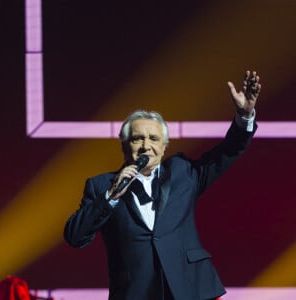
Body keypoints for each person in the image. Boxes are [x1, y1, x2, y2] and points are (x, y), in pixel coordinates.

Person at [64, 70, 261, 300]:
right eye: (137, 138)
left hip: (190, 289)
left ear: (165, 146)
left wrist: (244, 115)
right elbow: (75, 236)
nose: (146, 146)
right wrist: (110, 197)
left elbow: (228, 152)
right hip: (136, 293)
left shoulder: (182, 172)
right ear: (124, 146)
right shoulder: (101, 186)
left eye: (154, 139)